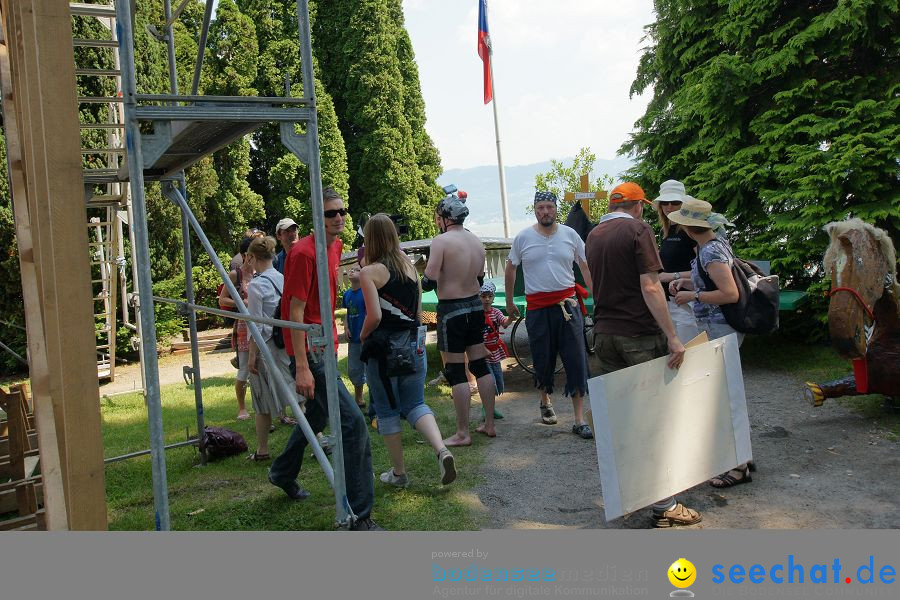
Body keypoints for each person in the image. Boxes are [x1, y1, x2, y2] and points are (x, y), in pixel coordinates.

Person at [585, 181, 698, 528]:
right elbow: (650, 286)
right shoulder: (638, 229)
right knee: (653, 418)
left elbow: (594, 285)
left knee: (620, 419)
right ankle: (664, 505)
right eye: (643, 206)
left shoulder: (594, 235)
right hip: (638, 335)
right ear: (636, 206)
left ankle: (631, 493)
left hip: (604, 335)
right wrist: (673, 336)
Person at [267, 187, 379, 531]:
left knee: (315, 416)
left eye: (342, 211)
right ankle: (359, 516)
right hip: (310, 349)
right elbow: (294, 312)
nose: (339, 217)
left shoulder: (336, 245)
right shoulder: (302, 253)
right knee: (353, 426)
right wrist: (301, 366)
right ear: (317, 216)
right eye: (331, 213)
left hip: (326, 342)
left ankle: (281, 472)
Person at [359, 214, 457, 487]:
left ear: (370, 239)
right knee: (415, 403)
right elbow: (416, 312)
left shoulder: (369, 272)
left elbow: (375, 317)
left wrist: (362, 335)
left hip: (383, 351)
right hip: (414, 344)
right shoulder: (410, 268)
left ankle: (399, 473)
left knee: (388, 410)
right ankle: (441, 449)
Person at [667, 197, 752, 489]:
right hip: (720, 329)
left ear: (690, 227)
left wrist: (693, 296)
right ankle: (742, 457)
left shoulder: (710, 252)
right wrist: (691, 284)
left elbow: (729, 293)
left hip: (720, 330)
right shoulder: (714, 246)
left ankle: (738, 466)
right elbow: (715, 283)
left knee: (727, 396)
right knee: (728, 393)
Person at [504, 191, 594, 439]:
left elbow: (585, 264)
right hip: (538, 309)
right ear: (535, 209)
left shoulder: (570, 235)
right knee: (543, 359)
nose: (545, 211)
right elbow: (511, 268)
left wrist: (596, 295)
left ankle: (578, 419)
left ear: (556, 209)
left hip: (568, 307)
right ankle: (545, 401)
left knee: (576, 360)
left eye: (549, 207)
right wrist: (510, 301)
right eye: (540, 207)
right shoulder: (523, 237)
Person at [423, 193, 498, 446]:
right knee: (479, 366)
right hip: (475, 307)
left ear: (445, 218)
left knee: (456, 371)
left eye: (438, 217)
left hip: (452, 309)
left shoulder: (441, 242)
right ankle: (489, 423)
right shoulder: (477, 242)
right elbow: (479, 279)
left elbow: (429, 280)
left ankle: (462, 432)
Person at [244, 236, 300, 461]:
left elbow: (255, 324)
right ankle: (316, 436)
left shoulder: (257, 285)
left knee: (261, 399)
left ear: (253, 258)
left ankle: (262, 449)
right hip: (285, 341)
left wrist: (251, 356)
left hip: (267, 346)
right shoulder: (282, 278)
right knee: (295, 390)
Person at [653, 180, 700, 343]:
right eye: (664, 202)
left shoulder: (690, 230)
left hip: (688, 302)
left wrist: (671, 276)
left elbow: (706, 269)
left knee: (689, 353)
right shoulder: (665, 231)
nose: (669, 207)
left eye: (675, 202)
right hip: (669, 302)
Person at [219, 235, 254, 421]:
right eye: (251, 253)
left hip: (261, 323)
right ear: (243, 255)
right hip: (243, 326)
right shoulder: (236, 274)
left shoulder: (261, 273)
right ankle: (242, 408)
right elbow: (222, 299)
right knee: (245, 369)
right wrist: (242, 302)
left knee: (265, 368)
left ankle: (269, 409)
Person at [479, 281, 510, 417]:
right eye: (483, 296)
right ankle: (487, 409)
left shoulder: (496, 312)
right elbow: (474, 335)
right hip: (483, 353)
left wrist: (512, 316)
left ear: (493, 297)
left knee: (497, 379)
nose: (486, 299)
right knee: (489, 382)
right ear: (479, 296)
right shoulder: (477, 315)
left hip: (495, 351)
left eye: (489, 296)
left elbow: (505, 323)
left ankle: (490, 407)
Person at [343, 262, 368, 410]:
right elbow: (347, 313)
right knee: (354, 369)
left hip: (366, 338)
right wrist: (346, 327)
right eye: (351, 269)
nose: (352, 271)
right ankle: (359, 397)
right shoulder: (347, 294)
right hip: (354, 340)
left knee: (369, 369)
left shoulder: (366, 292)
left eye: (357, 270)